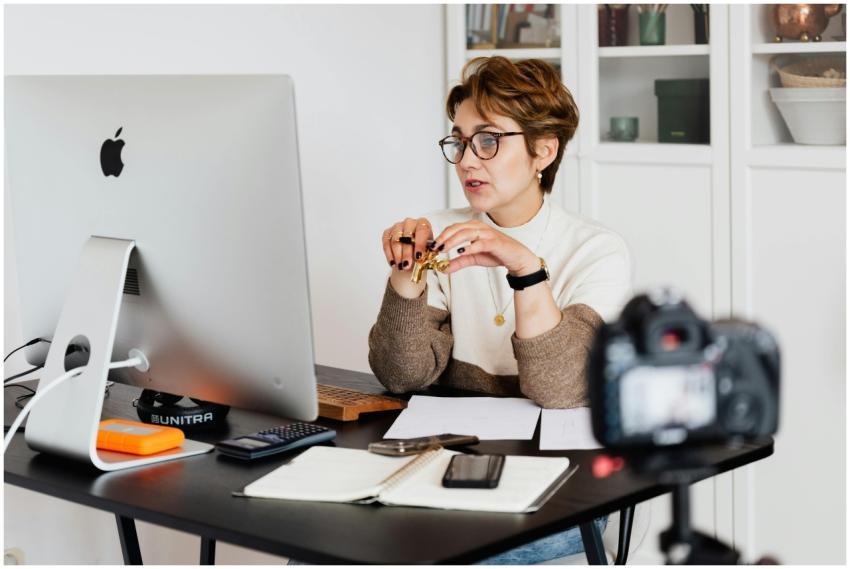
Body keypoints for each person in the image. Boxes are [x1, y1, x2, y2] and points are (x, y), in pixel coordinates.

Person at [368, 56, 632, 564]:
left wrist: (525, 269)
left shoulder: (597, 250)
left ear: (543, 151)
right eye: (460, 141)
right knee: (324, 546)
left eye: (488, 140)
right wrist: (406, 277)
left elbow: (560, 390)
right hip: (450, 469)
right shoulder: (439, 233)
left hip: (564, 487)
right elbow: (402, 374)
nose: (468, 160)